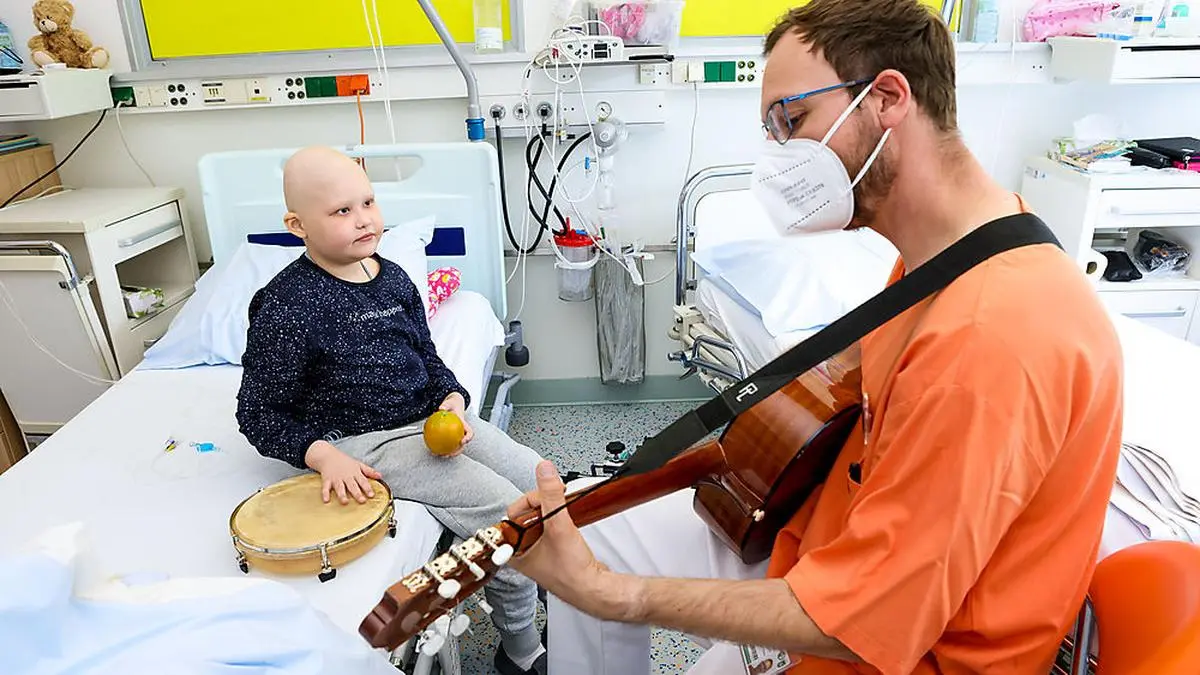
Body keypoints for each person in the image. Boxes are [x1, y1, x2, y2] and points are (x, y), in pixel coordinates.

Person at [507, 1, 1124, 673]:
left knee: (624, 600)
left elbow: (873, 619)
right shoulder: (944, 256)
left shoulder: (992, 333)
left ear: (887, 98)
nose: (780, 155)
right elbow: (858, 400)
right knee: (594, 529)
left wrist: (615, 597)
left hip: (910, 647)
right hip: (843, 536)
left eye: (791, 121)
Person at [235, 146, 547, 675]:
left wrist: (452, 397)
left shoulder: (395, 278)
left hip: (430, 422)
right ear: (297, 225)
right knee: (506, 515)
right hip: (361, 441)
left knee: (540, 479)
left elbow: (427, 359)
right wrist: (323, 456)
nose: (363, 220)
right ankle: (520, 648)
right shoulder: (286, 305)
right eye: (341, 211)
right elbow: (258, 413)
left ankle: (543, 585)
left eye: (368, 202)